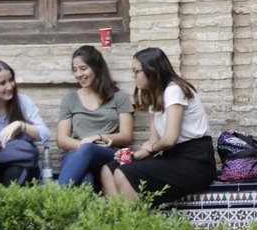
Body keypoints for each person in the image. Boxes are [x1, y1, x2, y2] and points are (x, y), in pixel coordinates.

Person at [103, 47, 216, 204]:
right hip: (171, 158)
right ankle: (118, 222)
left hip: (194, 162)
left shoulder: (174, 90)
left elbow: (169, 140)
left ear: (152, 71)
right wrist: (135, 156)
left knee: (123, 173)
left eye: (136, 71)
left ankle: (134, 225)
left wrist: (152, 148)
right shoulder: (155, 95)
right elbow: (153, 141)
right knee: (108, 169)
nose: (133, 76)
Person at [55, 45, 135, 188]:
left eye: (83, 68)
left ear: (96, 68)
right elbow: (62, 139)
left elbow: (126, 136)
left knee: (88, 149)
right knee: (86, 180)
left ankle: (53, 200)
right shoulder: (70, 99)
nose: (79, 74)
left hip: (108, 153)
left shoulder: (119, 97)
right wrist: (85, 145)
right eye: (75, 70)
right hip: (76, 152)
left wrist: (99, 138)